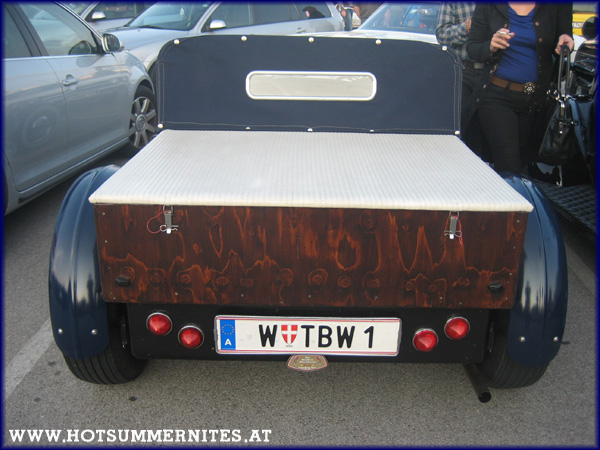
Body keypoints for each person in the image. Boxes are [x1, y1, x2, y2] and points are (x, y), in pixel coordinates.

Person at [465, 3, 574, 174]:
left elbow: (562, 40)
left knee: (524, 163)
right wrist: (490, 46)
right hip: (496, 97)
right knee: (509, 164)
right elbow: (473, 49)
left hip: (536, 100)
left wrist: (565, 43)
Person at [436, 2, 487, 158]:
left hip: (492, 72)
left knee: (487, 130)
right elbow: (442, 36)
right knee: (459, 125)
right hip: (463, 71)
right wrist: (466, 27)